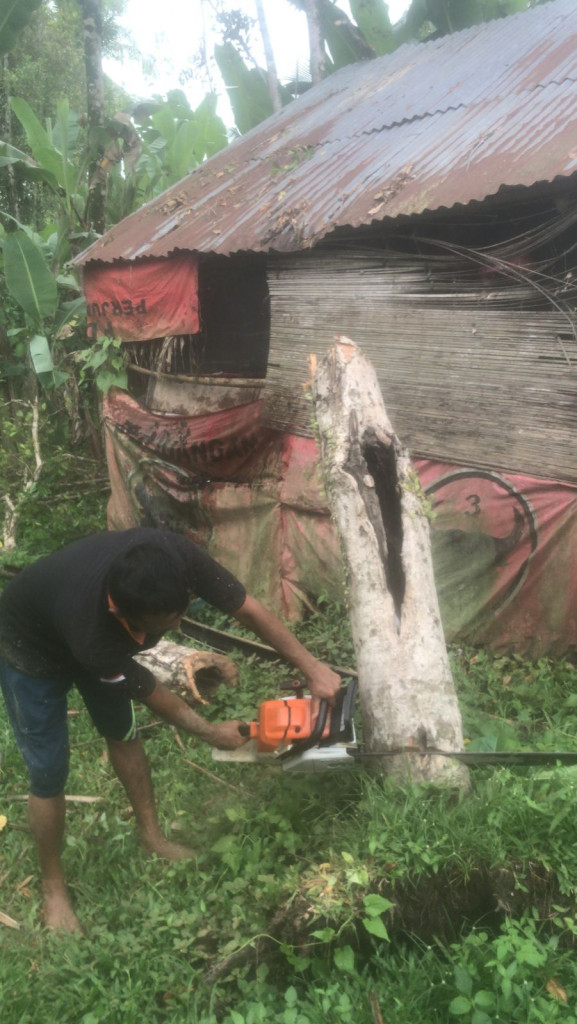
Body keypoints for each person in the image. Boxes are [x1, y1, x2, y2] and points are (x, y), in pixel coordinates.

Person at [0, 527, 340, 934]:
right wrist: (210, 732)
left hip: (82, 628)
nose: (177, 627)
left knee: (124, 734)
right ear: (119, 613)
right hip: (29, 647)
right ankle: (53, 887)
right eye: (162, 624)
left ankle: (152, 838)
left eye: (180, 614)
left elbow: (247, 608)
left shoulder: (178, 557)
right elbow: (149, 690)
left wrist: (312, 667)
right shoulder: (94, 637)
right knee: (48, 770)